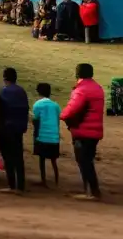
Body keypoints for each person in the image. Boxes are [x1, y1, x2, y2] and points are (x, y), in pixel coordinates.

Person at [60, 63, 105, 201]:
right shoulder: (97, 87)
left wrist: (62, 115)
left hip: (83, 131)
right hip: (95, 131)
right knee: (88, 160)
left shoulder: (82, 89)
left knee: (84, 161)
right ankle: (90, 190)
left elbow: (72, 109)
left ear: (77, 74)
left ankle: (92, 192)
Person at [0, 67, 29, 194]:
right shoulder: (22, 92)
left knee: (8, 158)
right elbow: (25, 111)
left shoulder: (3, 92)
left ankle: (11, 185)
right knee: (18, 157)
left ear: (4, 78)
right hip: (18, 129)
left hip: (5, 129)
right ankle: (20, 186)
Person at [31, 82, 60, 188]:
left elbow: (36, 120)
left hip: (42, 136)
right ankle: (57, 179)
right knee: (53, 160)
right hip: (54, 137)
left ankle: (43, 180)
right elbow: (57, 120)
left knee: (42, 159)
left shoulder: (37, 104)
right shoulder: (56, 105)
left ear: (38, 92)